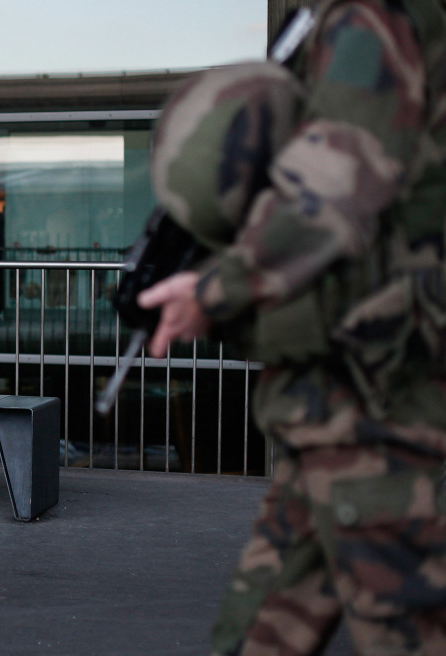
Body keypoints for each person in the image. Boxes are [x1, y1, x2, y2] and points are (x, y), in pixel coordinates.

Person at [137, 3, 446, 654]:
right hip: (337, 406)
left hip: (385, 416)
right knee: (254, 633)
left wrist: (214, 292)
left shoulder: (371, 13)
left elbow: (335, 181)